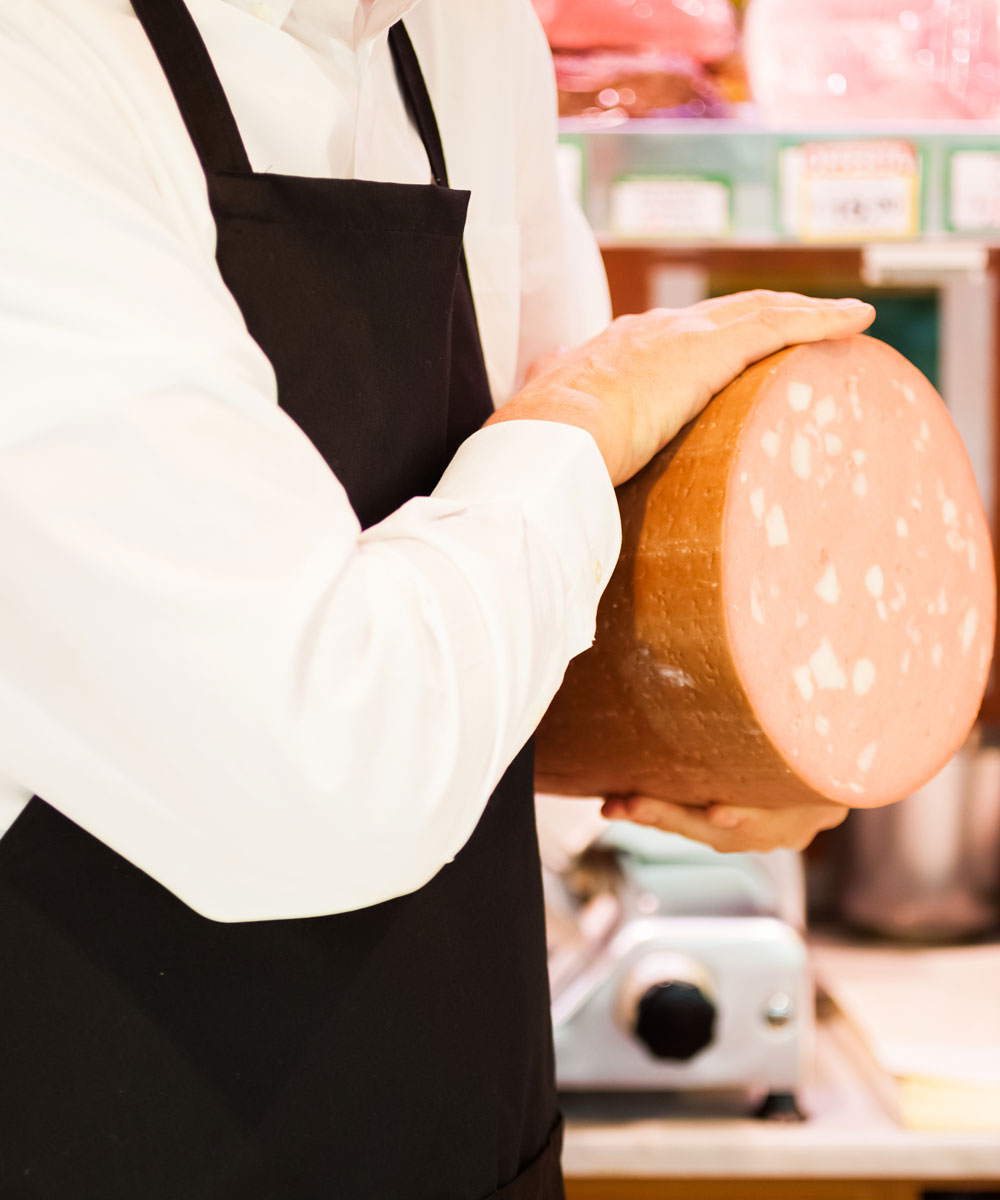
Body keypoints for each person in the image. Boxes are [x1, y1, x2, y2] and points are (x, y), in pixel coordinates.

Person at [0, 1, 869, 1196]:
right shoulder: (36, 65)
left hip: (466, 1135)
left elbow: (564, 557)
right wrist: (587, 416)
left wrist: (727, 735)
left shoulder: (470, 33)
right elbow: (312, 765)